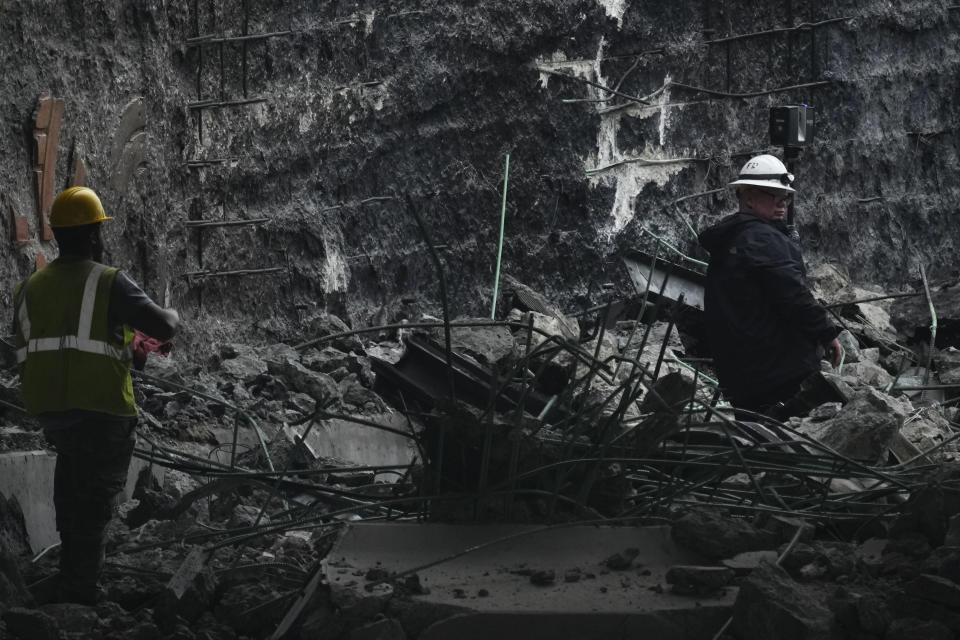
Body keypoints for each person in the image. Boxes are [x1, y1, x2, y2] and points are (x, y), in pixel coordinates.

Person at [12, 186, 179, 604]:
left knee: (72, 491)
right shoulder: (109, 281)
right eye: (99, 231)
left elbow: (56, 346)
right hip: (103, 410)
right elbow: (164, 327)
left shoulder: (29, 287)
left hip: (53, 413)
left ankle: (73, 577)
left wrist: (125, 350)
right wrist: (171, 314)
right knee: (96, 501)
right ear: (92, 235)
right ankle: (82, 593)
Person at [698, 154, 841, 417]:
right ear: (749, 197)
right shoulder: (762, 239)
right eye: (773, 195)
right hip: (779, 371)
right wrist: (826, 332)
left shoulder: (730, 238)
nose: (782, 204)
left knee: (756, 438)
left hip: (742, 375)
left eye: (785, 197)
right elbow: (793, 295)